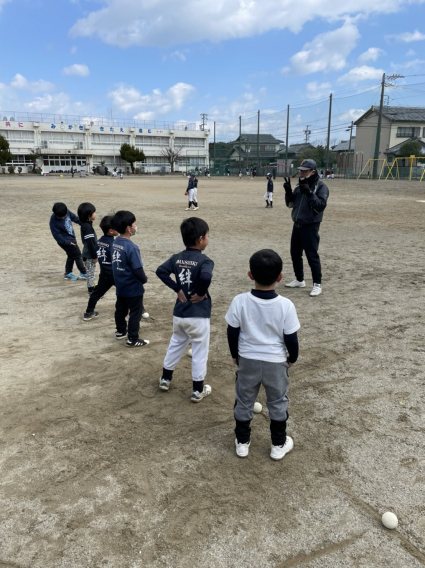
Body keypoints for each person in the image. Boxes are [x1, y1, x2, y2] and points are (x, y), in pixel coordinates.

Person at [225, 249, 300, 460]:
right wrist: (292, 358)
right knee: (277, 401)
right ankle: (278, 444)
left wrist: (235, 355)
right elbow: (291, 338)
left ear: (250, 275)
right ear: (280, 277)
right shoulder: (286, 305)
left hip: (247, 359)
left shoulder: (239, 301)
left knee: (244, 399)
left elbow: (232, 331)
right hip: (276, 363)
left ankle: (242, 442)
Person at [156, 217, 214, 403]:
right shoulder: (205, 260)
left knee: (176, 344)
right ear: (200, 239)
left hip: (180, 314)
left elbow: (160, 271)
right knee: (199, 351)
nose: (207, 239)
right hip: (198, 315)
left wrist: (177, 289)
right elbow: (205, 277)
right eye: (206, 236)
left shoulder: (176, 258)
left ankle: (165, 379)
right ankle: (198, 390)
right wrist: (200, 293)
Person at [283, 158, 329, 297]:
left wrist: (309, 193)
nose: (301, 172)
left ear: (312, 171)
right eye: (300, 170)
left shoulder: (320, 186)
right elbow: (290, 205)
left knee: (311, 255)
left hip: (310, 226)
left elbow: (320, 206)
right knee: (295, 254)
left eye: (304, 170)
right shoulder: (299, 185)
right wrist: (288, 193)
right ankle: (299, 279)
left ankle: (317, 284)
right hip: (297, 224)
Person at [111, 210, 150, 348]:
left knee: (120, 309)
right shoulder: (132, 247)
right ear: (129, 228)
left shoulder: (115, 243)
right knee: (135, 312)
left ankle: (121, 331)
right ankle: (132, 338)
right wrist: (144, 279)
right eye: (134, 224)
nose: (136, 226)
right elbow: (137, 269)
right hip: (133, 286)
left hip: (120, 285)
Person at [83, 215, 118, 321]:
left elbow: (96, 250)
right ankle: (139, 310)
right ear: (111, 231)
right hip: (114, 274)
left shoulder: (99, 241)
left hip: (104, 273)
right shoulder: (114, 243)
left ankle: (89, 312)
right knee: (128, 290)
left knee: (96, 293)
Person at [49, 202, 87, 281]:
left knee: (71, 255)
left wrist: (83, 224)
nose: (63, 217)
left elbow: (74, 218)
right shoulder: (53, 222)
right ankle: (83, 273)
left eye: (64, 215)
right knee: (77, 255)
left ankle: (67, 273)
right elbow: (57, 236)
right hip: (65, 241)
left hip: (71, 237)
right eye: (61, 217)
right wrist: (67, 243)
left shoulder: (66, 212)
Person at [78, 202, 98, 295]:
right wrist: (94, 256)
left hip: (88, 253)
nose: (95, 214)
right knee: (90, 274)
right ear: (88, 215)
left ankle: (92, 288)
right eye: (94, 212)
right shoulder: (87, 227)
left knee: (91, 273)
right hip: (89, 254)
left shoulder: (86, 224)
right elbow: (90, 243)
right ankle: (91, 291)